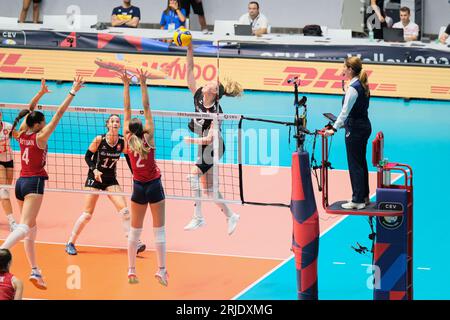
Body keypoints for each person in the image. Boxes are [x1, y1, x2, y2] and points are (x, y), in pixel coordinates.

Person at [0, 76, 85, 290]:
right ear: (38, 125)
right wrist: (72, 92)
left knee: (32, 229)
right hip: (34, 184)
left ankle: (35, 270)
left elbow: (27, 112)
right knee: (24, 227)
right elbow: (59, 114)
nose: (45, 124)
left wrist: (39, 95)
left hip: (20, 184)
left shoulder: (20, 134)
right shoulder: (41, 137)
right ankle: (1, 254)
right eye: (43, 122)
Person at [65, 115, 146, 256]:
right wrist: (94, 170)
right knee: (87, 215)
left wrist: (135, 174)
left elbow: (128, 157)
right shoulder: (99, 140)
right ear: (108, 124)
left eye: (117, 122)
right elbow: (87, 157)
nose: (115, 123)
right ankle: (70, 242)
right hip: (94, 178)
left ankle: (134, 243)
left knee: (125, 211)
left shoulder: (122, 141)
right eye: (112, 121)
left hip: (110, 179)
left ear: (119, 125)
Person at [183, 43, 242, 234]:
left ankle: (198, 218)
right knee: (209, 190)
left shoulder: (216, 112)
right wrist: (189, 49)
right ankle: (231, 216)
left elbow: (209, 139)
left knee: (193, 176)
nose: (206, 83)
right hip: (204, 146)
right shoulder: (199, 95)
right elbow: (190, 71)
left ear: (215, 93)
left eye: (211, 84)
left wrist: (191, 141)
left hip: (214, 146)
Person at [117, 69, 168, 286]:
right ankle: (161, 270)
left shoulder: (127, 141)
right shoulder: (148, 137)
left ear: (129, 129)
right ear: (143, 129)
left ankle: (131, 270)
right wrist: (143, 83)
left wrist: (126, 84)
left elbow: (127, 109)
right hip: (154, 186)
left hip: (138, 188)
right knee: (160, 230)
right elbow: (146, 107)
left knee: (135, 232)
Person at [323, 57, 372, 210]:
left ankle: (357, 200)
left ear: (350, 69)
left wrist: (334, 128)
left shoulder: (353, 88)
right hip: (363, 126)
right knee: (361, 162)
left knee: (355, 164)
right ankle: (364, 196)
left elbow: (344, 112)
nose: (342, 69)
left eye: (344, 67)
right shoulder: (360, 85)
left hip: (355, 129)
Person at [0, 112, 17, 232]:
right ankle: (12, 222)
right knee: (4, 191)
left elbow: (18, 136)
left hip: (9, 159)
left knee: (5, 190)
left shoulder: (8, 126)